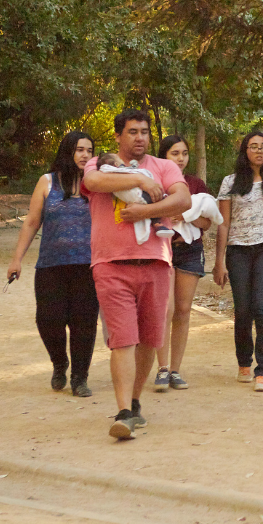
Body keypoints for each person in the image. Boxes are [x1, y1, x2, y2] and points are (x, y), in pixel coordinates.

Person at [82, 110, 191, 440]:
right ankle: (124, 412)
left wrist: (145, 211)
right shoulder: (100, 163)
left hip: (156, 263)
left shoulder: (165, 166)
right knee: (123, 339)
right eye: (132, 132)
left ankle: (134, 401)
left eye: (144, 132)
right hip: (110, 265)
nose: (140, 137)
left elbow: (183, 199)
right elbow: (94, 182)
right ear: (118, 136)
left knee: (149, 340)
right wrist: (140, 180)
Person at [6, 131, 100, 398]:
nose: (85, 155)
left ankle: (80, 377)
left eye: (89, 150)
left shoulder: (96, 185)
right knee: (48, 320)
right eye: (80, 149)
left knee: (84, 322)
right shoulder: (47, 182)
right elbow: (33, 221)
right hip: (51, 265)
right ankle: (60, 363)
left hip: (88, 266)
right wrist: (17, 259)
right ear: (68, 152)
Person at [214, 130, 263, 392]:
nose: (259, 151)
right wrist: (219, 261)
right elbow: (223, 224)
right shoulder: (230, 182)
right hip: (237, 250)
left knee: (262, 307)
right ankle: (243, 362)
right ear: (244, 151)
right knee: (243, 309)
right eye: (253, 146)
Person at [152, 135, 212, 393]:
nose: (180, 158)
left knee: (184, 310)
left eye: (184, 153)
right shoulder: (152, 181)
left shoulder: (196, 184)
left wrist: (187, 215)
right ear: (163, 155)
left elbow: (207, 223)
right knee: (165, 309)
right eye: (175, 153)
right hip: (161, 249)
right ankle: (162, 369)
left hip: (189, 250)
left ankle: (176, 370)